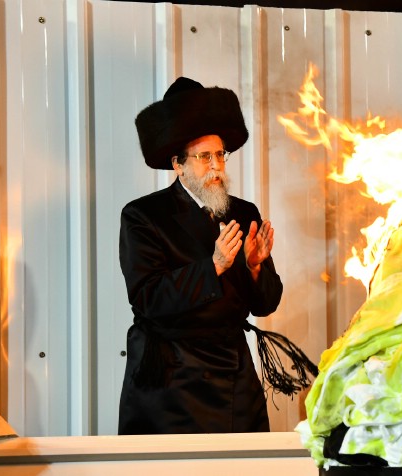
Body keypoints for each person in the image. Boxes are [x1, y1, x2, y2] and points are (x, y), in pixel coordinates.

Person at [117, 76, 284, 434]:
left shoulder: (243, 212)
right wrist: (214, 266)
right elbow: (148, 297)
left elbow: (266, 304)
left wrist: (255, 268)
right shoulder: (143, 215)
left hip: (233, 376)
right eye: (204, 156)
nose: (216, 166)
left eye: (220, 155)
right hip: (171, 380)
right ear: (178, 164)